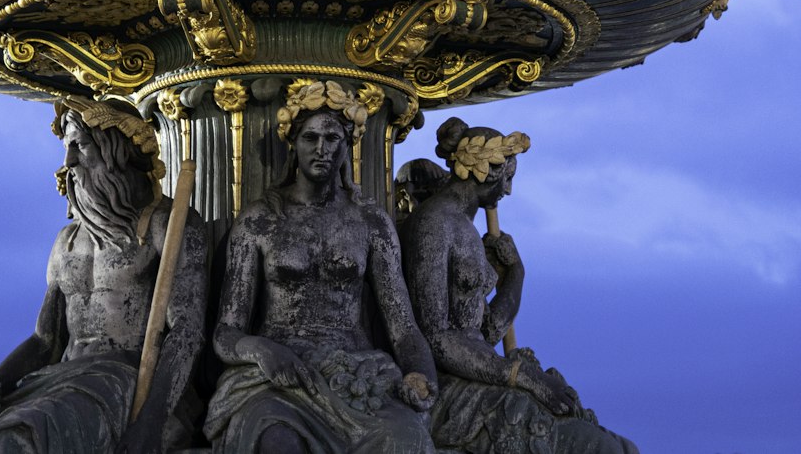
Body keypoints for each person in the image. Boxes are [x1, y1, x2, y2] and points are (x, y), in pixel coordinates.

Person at [0, 98, 207, 454]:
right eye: (67, 147)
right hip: (64, 379)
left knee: (16, 439)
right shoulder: (67, 241)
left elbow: (187, 333)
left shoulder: (166, 225)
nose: (69, 162)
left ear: (117, 153)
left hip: (126, 379)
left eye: (80, 146)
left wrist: (152, 419)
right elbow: (44, 341)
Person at [205, 79, 438, 453]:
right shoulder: (260, 221)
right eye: (310, 138)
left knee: (405, 439)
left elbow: (404, 328)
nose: (322, 149)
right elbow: (226, 333)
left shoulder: (370, 223)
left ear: (347, 147)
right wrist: (262, 350)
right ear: (293, 144)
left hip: (356, 373)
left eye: (333, 140)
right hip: (280, 377)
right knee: (277, 443)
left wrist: (422, 376)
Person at [401, 120, 639, 454]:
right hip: (451, 386)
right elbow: (437, 338)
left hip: (481, 372)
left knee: (620, 446)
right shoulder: (435, 224)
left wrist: (515, 274)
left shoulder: (464, 227)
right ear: (487, 171)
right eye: (508, 177)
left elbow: (484, 332)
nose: (509, 190)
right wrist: (522, 377)